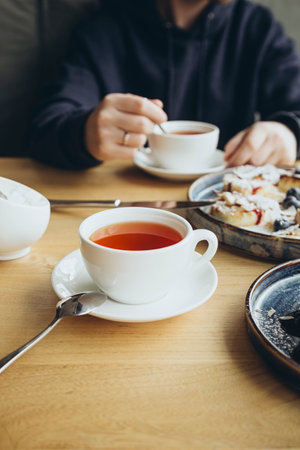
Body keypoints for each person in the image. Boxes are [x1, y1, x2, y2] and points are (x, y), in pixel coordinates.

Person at [28, 0, 300, 170]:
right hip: (128, 202)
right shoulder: (105, 27)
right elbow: (47, 125)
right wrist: (86, 133)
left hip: (225, 201)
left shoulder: (257, 28)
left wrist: (289, 132)